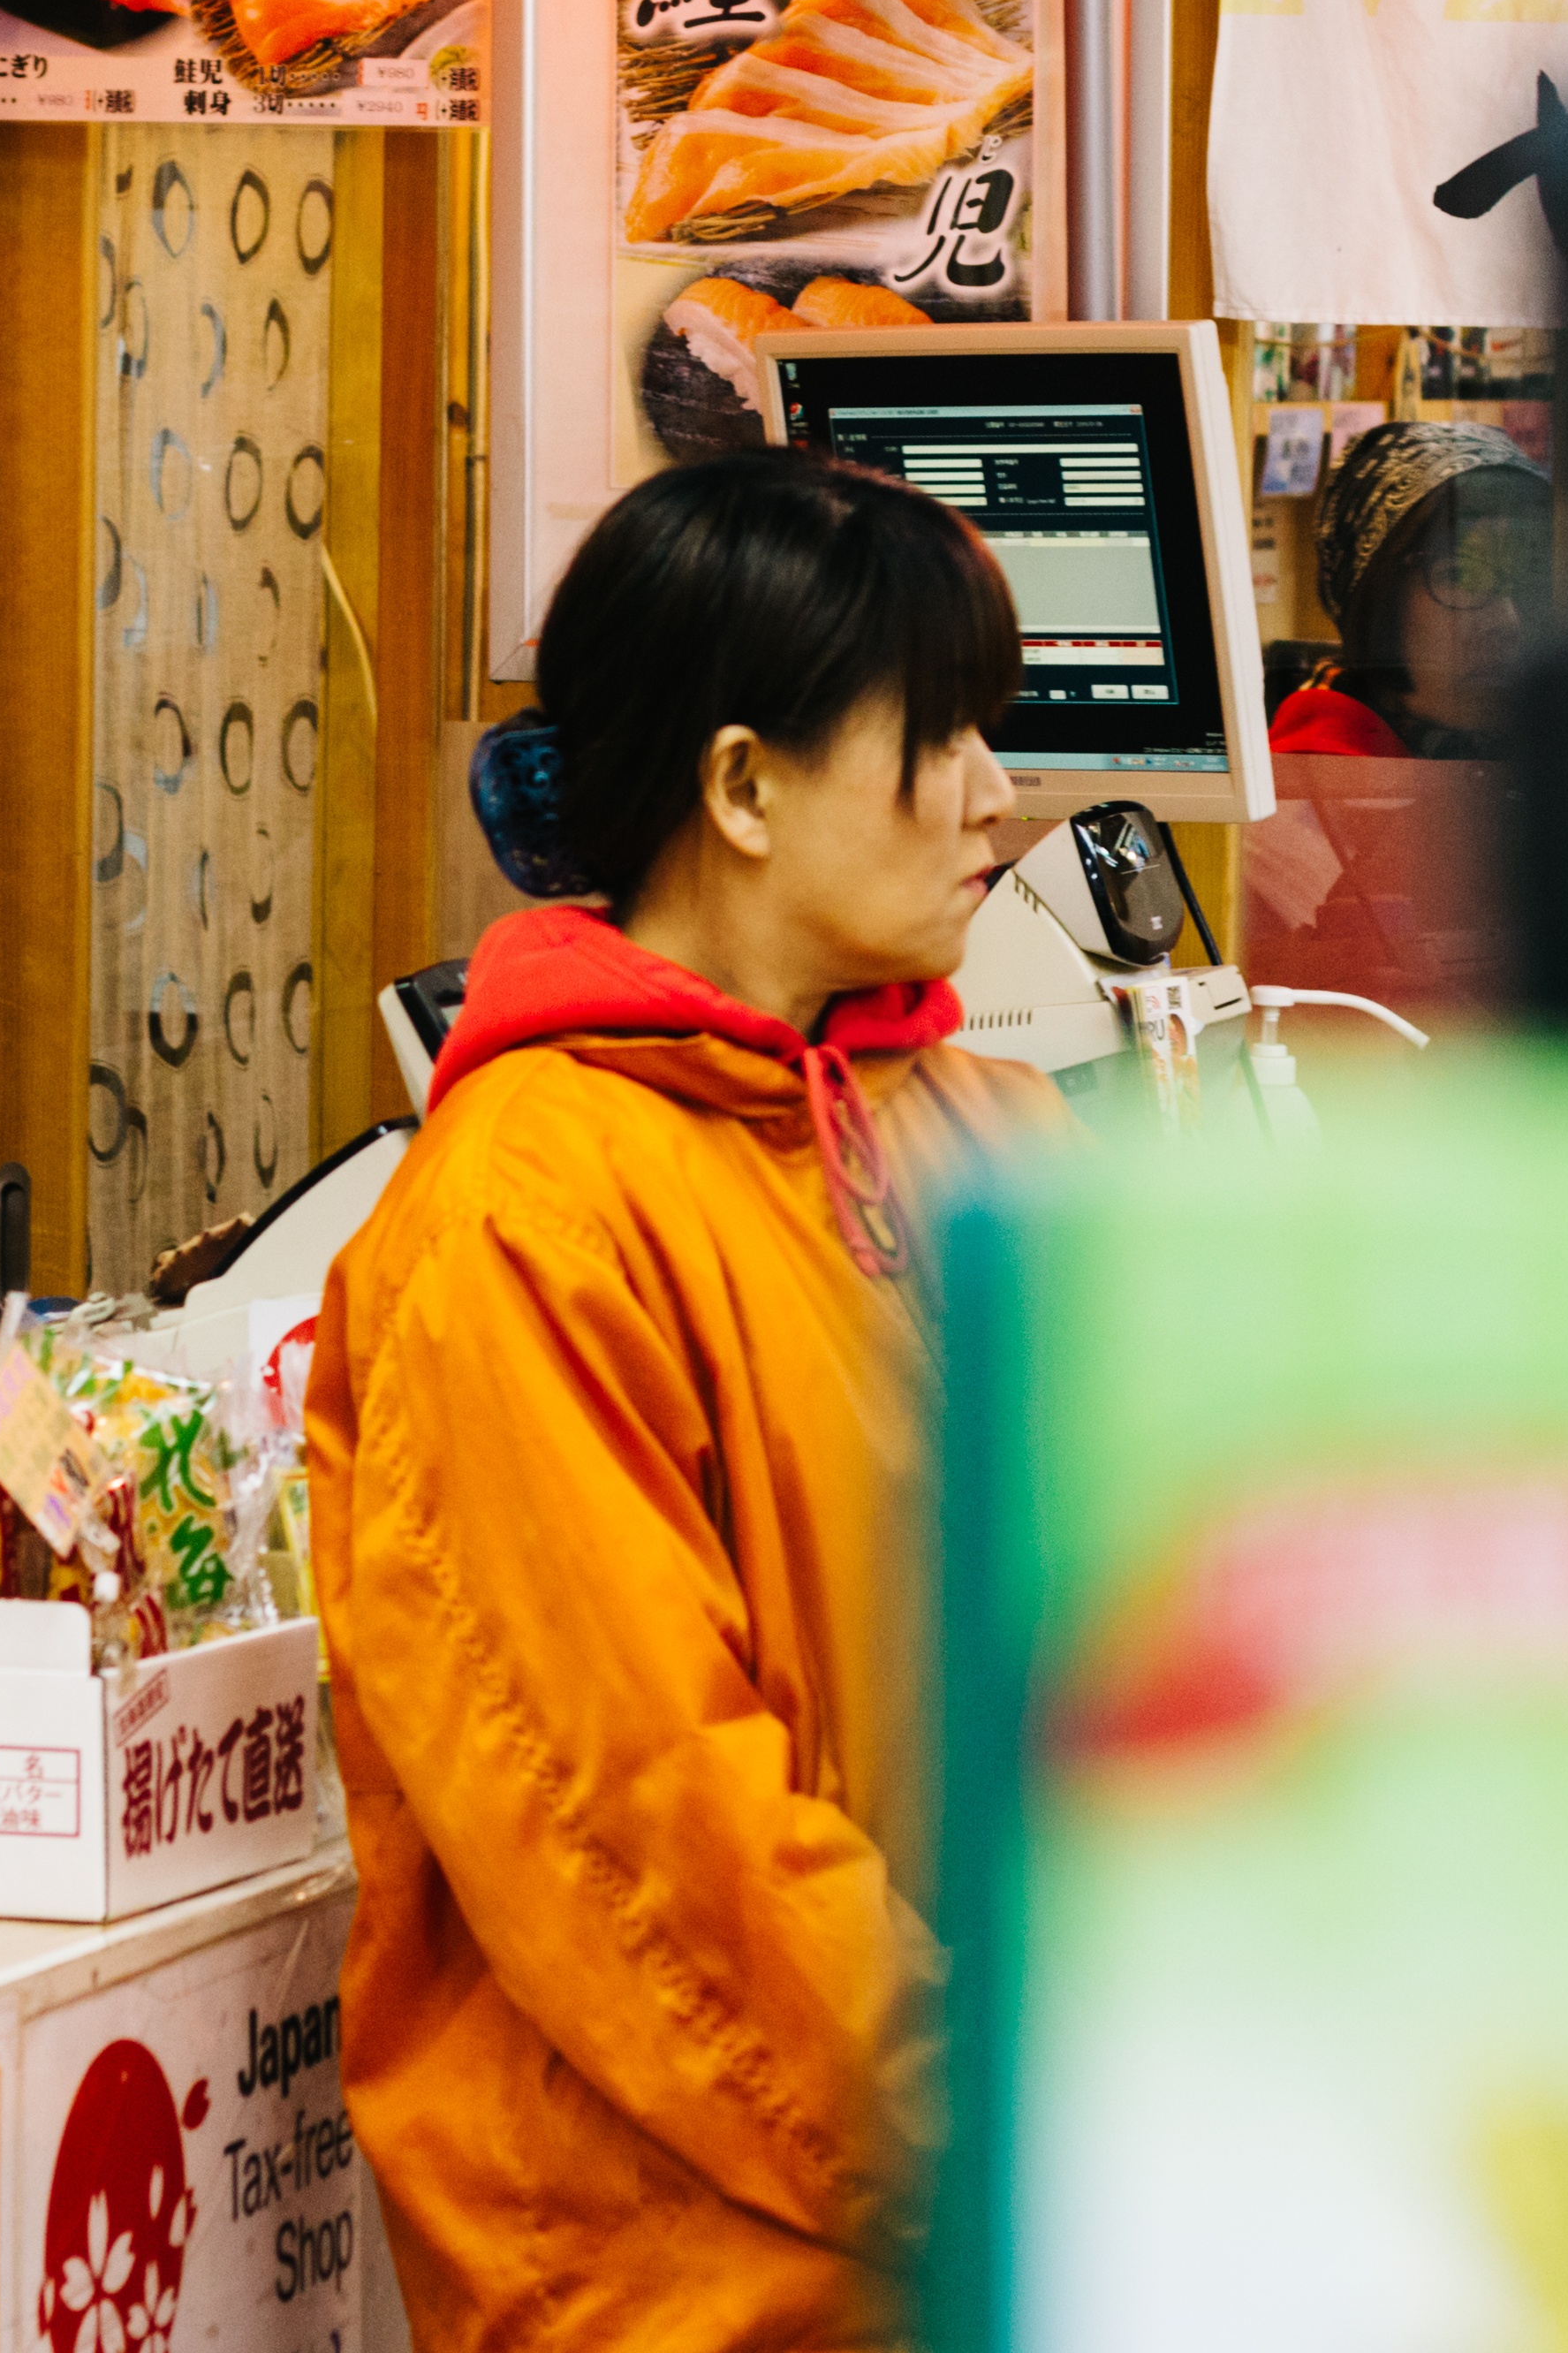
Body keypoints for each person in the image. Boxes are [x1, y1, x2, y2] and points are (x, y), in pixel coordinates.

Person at [308, 449, 1067, 2353]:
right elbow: (648, 1833)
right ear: (740, 787)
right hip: (708, 2282)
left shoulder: (985, 1127)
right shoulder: (516, 1218)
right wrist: (1015, 2141)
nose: (1001, 798)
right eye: (937, 737)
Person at [1268, 420, 1553, 760]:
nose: (1508, 622)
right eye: (1460, 574)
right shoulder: (1308, 785)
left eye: (1528, 579)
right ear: (1376, 599)